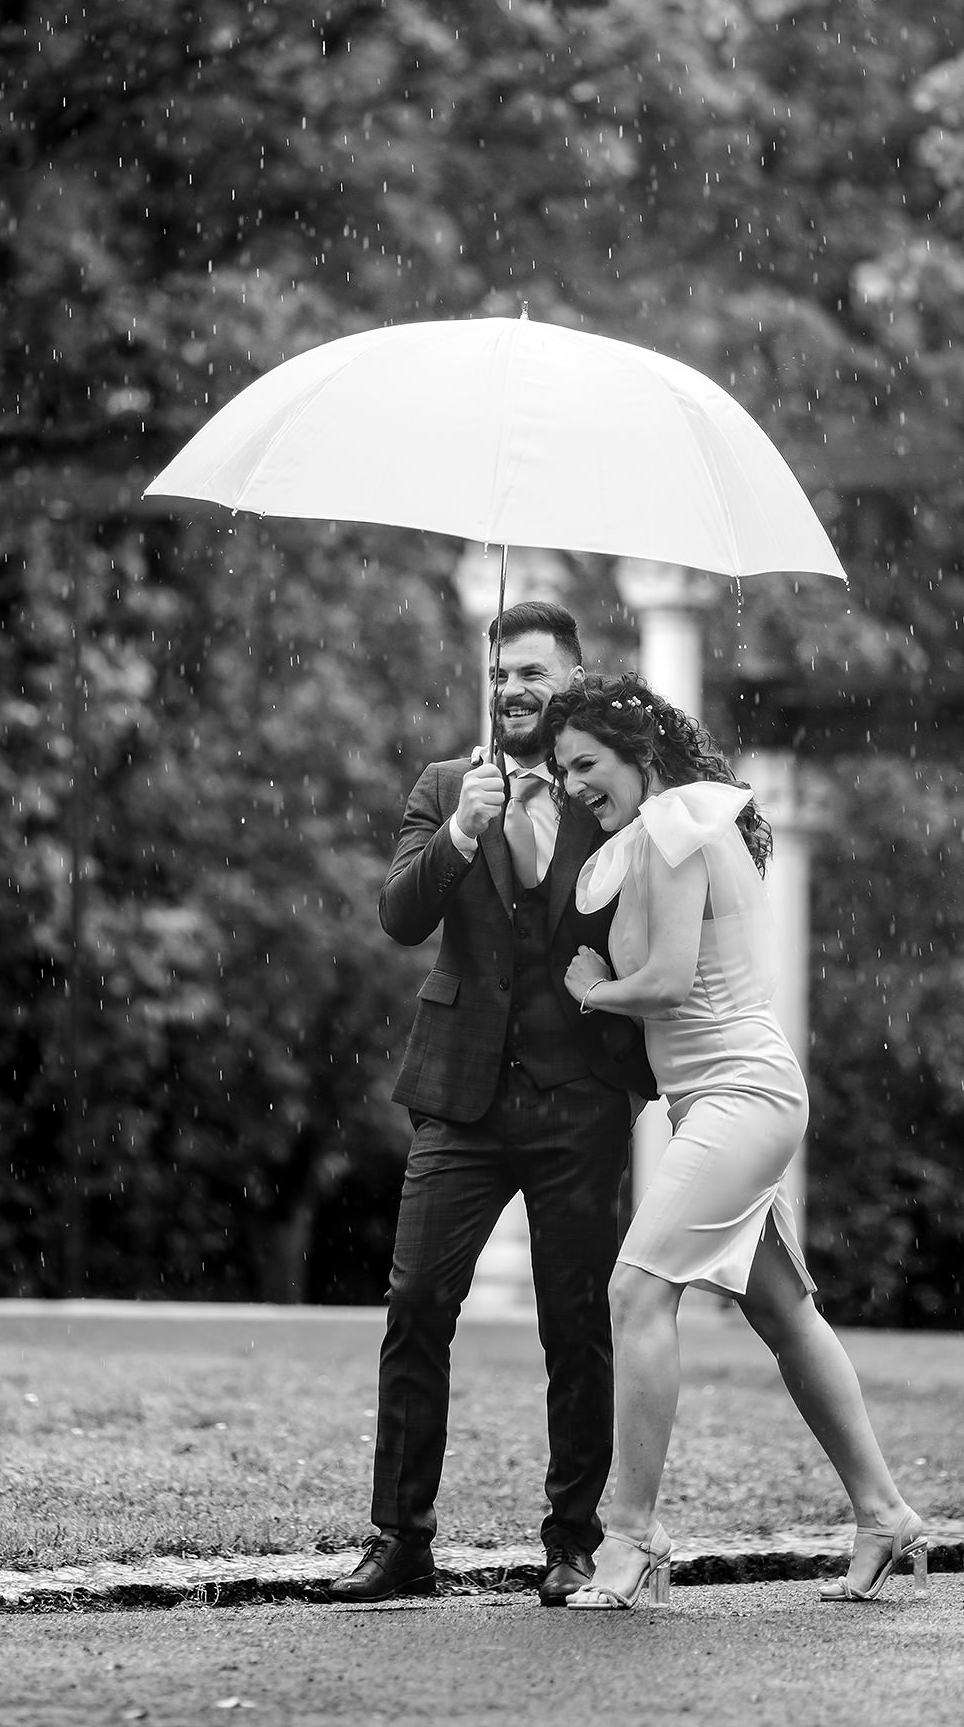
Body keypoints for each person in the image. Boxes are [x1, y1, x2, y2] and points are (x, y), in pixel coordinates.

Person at [545, 670, 927, 1611]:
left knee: (637, 1290)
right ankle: (885, 1514)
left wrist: (591, 989)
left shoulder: (675, 829)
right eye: (563, 771)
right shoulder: (656, 832)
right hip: (715, 1101)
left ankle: (631, 1538)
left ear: (638, 754)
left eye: (586, 764)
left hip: (739, 1094)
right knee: (784, 1314)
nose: (575, 784)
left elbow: (670, 981)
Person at [329, 603, 657, 1607]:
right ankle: (401, 1540)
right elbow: (400, 916)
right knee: (417, 1305)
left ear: (573, 680)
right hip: (459, 1097)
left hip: (578, 1100)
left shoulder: (609, 792)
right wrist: (464, 829)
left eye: (532, 672)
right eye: (501, 673)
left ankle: (574, 1542)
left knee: (576, 1324)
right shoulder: (443, 786)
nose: (512, 689)